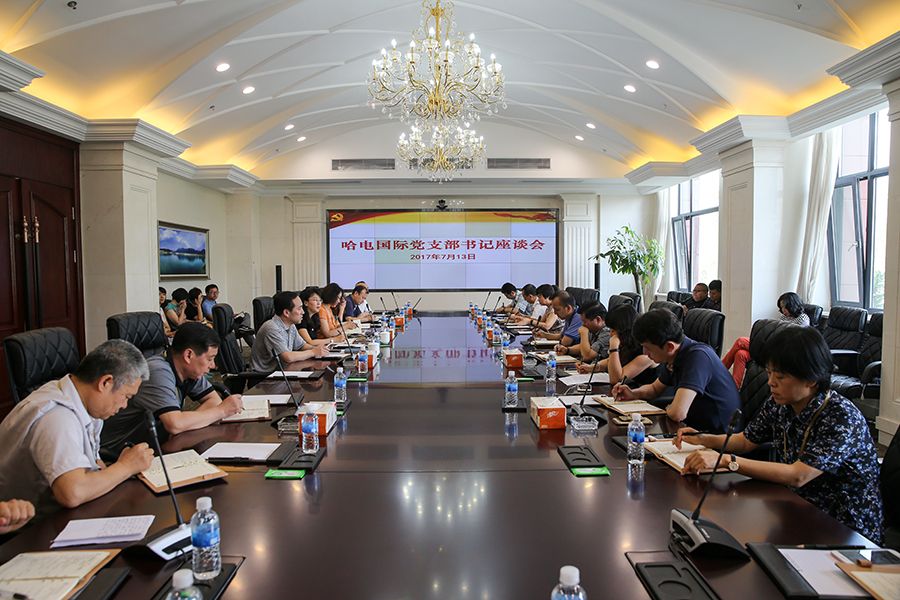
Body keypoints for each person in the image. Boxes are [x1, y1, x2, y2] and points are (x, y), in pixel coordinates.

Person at [677, 327, 883, 543]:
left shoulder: (840, 416)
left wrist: (728, 461)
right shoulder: (780, 403)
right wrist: (702, 438)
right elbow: (745, 441)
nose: (771, 382)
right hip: (798, 508)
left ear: (811, 379)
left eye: (781, 376)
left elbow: (799, 475)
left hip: (845, 529)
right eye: (769, 373)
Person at [0, 340, 154, 511]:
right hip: (26, 522)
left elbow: (95, 465)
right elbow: (72, 493)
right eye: (126, 396)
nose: (125, 405)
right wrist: (126, 466)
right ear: (105, 382)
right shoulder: (57, 417)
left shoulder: (83, 401)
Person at [100, 323, 244, 459]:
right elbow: (175, 424)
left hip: (155, 446)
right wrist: (222, 411)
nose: (213, 366)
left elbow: (214, 401)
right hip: (120, 454)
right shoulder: (157, 371)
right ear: (188, 355)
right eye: (210, 359)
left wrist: (185, 422)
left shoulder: (190, 370)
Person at [612, 309, 740, 433]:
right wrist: (633, 394)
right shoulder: (674, 356)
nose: (645, 353)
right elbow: (654, 389)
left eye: (647, 348)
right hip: (695, 429)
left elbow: (678, 413)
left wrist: (670, 408)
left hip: (719, 437)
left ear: (669, 346)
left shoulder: (698, 357)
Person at [722, 292, 811, 388]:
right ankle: (734, 388)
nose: (783, 310)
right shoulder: (784, 317)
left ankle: (719, 369)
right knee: (740, 354)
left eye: (785, 307)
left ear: (793, 304)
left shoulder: (803, 318)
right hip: (773, 345)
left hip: (783, 350)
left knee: (741, 341)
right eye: (781, 307)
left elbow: (795, 339)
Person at [576, 304, 657, 385]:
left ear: (624, 330)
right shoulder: (629, 344)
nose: (611, 334)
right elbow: (610, 361)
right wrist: (592, 367)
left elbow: (616, 379)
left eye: (613, 330)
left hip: (643, 392)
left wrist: (613, 348)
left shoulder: (646, 353)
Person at [251, 291, 329, 371]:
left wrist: (318, 349)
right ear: (286, 313)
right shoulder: (271, 328)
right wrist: (313, 352)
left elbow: (302, 346)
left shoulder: (291, 325)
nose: (303, 312)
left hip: (284, 370)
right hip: (266, 376)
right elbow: (288, 357)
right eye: (299, 308)